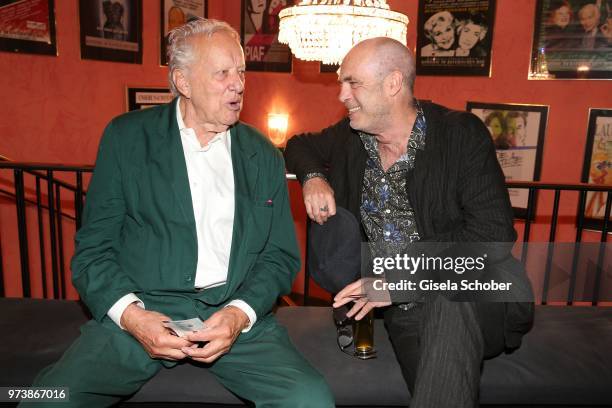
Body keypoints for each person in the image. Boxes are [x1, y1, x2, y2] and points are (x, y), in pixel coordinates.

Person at [22, 18, 334, 408]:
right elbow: (93, 251)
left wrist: (238, 316)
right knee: (45, 400)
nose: (237, 84)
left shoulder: (263, 155)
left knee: (310, 400)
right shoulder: (127, 138)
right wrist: (133, 317)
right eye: (222, 73)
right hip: (141, 309)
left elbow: (279, 257)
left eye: (240, 71)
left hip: (231, 313)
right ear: (183, 83)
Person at [284, 37, 533, 408]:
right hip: (403, 312)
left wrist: (398, 281)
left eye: (353, 83)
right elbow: (298, 145)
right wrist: (313, 178)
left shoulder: (460, 135)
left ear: (393, 84)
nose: (341, 95)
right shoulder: (351, 137)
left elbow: (491, 234)